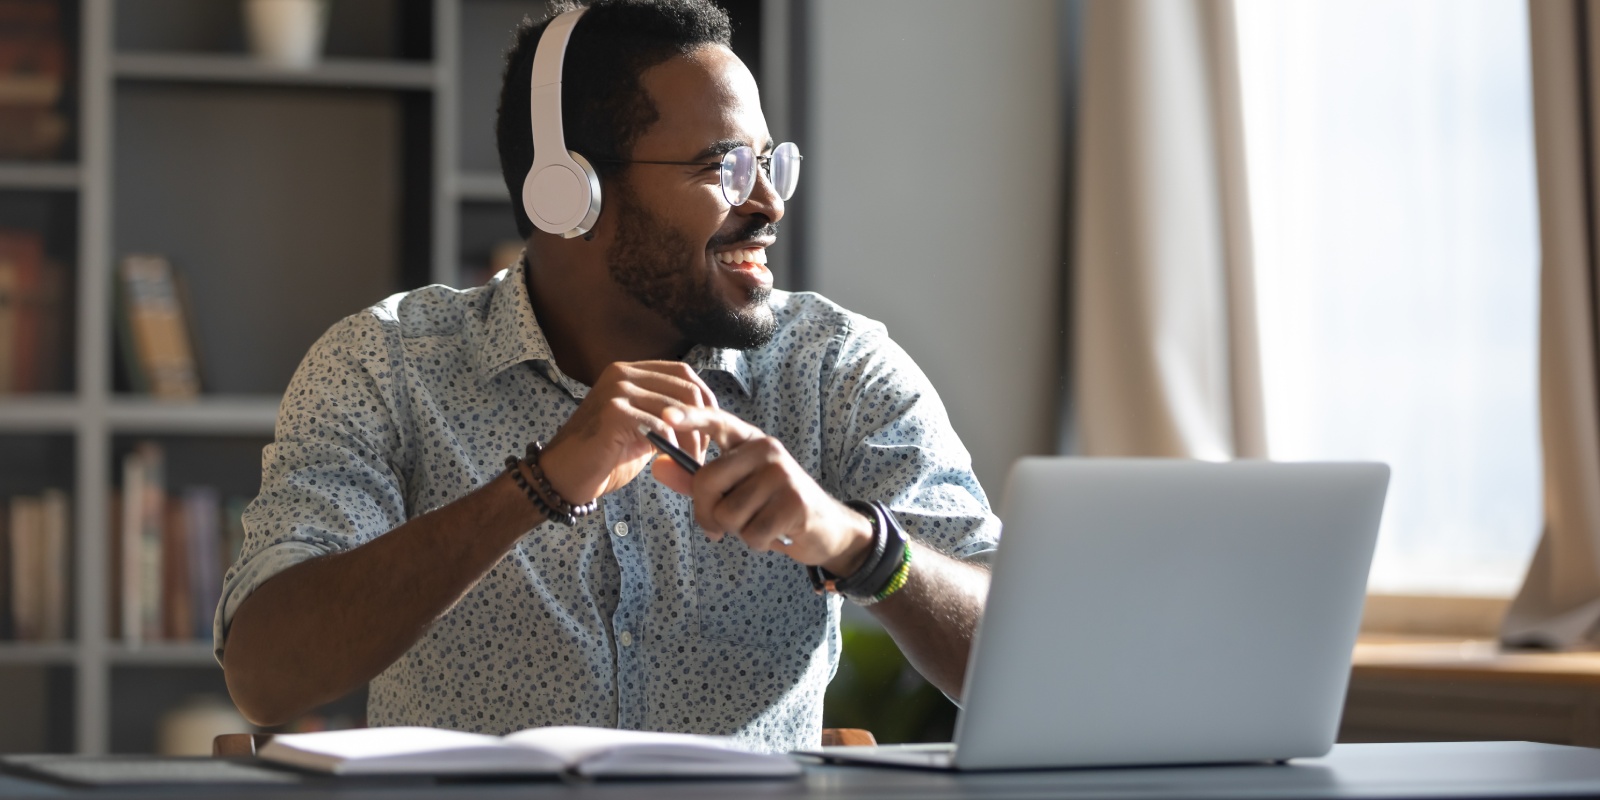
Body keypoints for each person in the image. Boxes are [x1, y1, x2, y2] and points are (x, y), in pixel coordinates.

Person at [215, 0, 998, 753]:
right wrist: (537, 487)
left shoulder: (834, 369)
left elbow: (1028, 649)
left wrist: (857, 543)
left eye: (768, 164)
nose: (767, 203)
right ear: (570, 194)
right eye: (723, 167)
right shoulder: (386, 364)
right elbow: (264, 675)